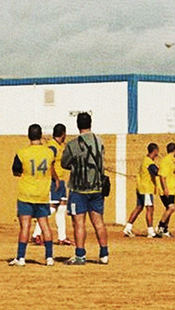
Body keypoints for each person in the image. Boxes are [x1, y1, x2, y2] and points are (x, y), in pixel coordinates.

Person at [60, 112, 109, 265]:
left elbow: (64, 163)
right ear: (90, 123)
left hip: (79, 189)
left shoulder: (73, 144)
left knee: (79, 223)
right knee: (99, 221)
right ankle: (104, 253)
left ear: (77, 125)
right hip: (97, 188)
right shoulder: (99, 141)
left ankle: (80, 255)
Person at [9, 123, 55, 267]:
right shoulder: (49, 153)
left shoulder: (22, 153)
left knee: (25, 227)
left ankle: (21, 258)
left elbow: (16, 171)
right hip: (42, 194)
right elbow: (51, 167)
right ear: (41, 135)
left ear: (29, 136)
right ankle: (49, 257)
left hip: (26, 194)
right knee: (45, 225)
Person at [31, 123, 71, 246]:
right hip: (55, 181)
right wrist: (56, 179)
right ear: (63, 134)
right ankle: (36, 234)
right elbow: (49, 164)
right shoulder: (52, 147)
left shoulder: (59, 146)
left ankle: (62, 237)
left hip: (61, 179)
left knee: (62, 207)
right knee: (52, 208)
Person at [123, 143, 160, 238]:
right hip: (146, 189)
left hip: (140, 188)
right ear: (154, 151)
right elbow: (156, 172)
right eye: (157, 151)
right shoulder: (149, 162)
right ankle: (151, 231)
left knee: (139, 207)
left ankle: (128, 228)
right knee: (150, 208)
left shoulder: (145, 160)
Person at [156, 142, 175, 238]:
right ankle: (160, 226)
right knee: (171, 207)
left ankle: (165, 229)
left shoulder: (171, 160)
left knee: (168, 209)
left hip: (171, 190)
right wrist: (165, 188)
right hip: (167, 189)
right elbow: (162, 176)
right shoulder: (166, 161)